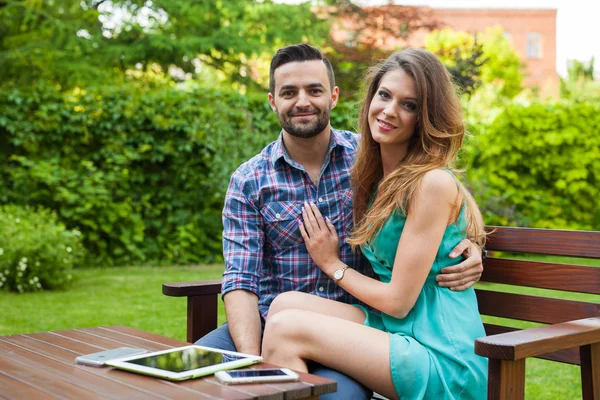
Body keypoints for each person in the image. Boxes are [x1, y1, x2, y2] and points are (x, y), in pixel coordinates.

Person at [197, 44, 485, 400]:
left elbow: (445, 202)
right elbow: (240, 277)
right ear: (273, 101)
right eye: (384, 95)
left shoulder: (369, 160)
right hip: (380, 322)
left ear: (333, 96)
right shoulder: (372, 166)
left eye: (409, 105)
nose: (390, 111)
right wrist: (251, 354)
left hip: (429, 342)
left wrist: (473, 246)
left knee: (285, 325)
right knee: (282, 307)